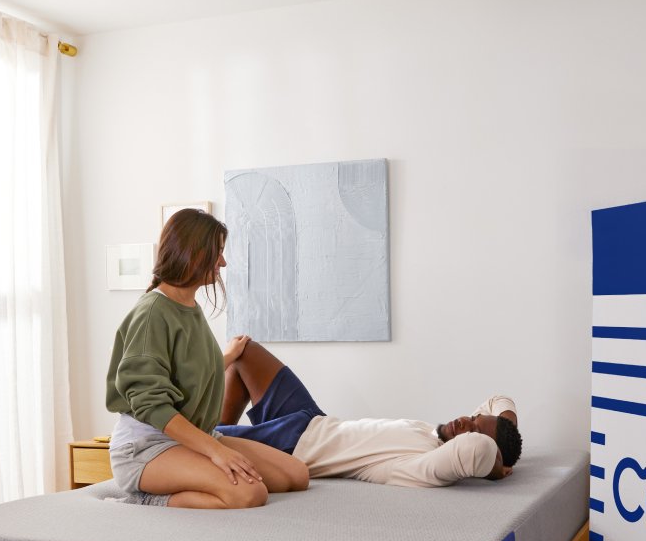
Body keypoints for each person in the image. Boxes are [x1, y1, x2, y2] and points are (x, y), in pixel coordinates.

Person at [106, 209, 308, 509]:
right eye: (218, 253)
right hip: (145, 447)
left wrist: (225, 358)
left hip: (191, 436)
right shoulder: (152, 314)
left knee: (296, 475)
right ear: (194, 252)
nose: (223, 263)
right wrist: (215, 451)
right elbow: (151, 404)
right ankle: (145, 501)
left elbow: (186, 371)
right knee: (248, 494)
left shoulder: (188, 307)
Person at [215, 341, 522, 488]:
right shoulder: (437, 432)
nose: (466, 420)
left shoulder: (423, 466)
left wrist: (498, 468)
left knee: (197, 437)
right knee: (245, 351)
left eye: (474, 428)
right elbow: (498, 399)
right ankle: (218, 428)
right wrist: (501, 428)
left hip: (294, 446)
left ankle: (212, 438)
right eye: (474, 417)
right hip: (313, 418)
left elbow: (476, 449)